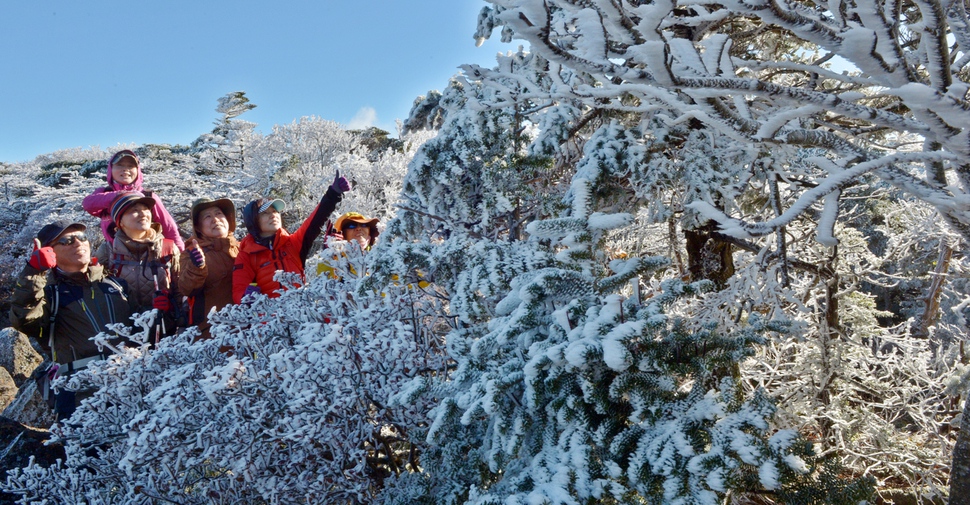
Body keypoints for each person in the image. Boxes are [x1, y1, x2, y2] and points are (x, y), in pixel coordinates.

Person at [9, 220, 134, 420]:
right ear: (49, 251)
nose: (78, 243)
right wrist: (33, 272)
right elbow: (24, 318)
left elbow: (145, 330)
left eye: (82, 238)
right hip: (79, 391)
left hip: (129, 383)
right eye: (66, 240)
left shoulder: (116, 286)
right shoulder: (50, 295)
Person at [233, 171, 351, 303]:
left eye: (275, 211)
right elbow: (239, 288)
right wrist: (245, 297)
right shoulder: (247, 255)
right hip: (269, 321)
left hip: (299, 316)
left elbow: (314, 221)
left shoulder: (292, 244)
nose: (273, 215)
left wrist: (333, 194)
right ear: (253, 221)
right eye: (265, 213)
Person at [95, 192, 180, 336]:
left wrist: (172, 305)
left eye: (145, 210)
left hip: (165, 329)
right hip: (124, 331)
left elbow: (181, 289)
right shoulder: (108, 251)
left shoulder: (168, 248)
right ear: (119, 221)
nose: (142, 214)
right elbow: (96, 293)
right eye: (134, 211)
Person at [82, 149, 185, 251]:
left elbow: (169, 228)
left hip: (148, 258)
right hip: (116, 257)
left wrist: (181, 254)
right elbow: (88, 204)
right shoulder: (104, 193)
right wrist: (122, 195)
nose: (125, 169)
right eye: (120, 165)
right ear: (110, 170)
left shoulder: (148, 197)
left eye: (131, 166)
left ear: (138, 170)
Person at [179, 198, 239, 339]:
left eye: (219, 214)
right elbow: (186, 288)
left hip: (247, 327)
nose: (215, 219)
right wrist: (197, 266)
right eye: (207, 216)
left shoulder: (244, 248)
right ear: (198, 228)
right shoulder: (191, 253)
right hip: (212, 331)